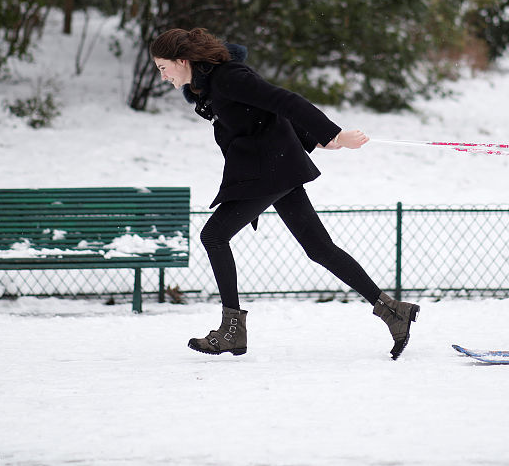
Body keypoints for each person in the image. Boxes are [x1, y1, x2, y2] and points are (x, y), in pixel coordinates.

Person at [150, 28, 419, 360]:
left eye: (163, 68)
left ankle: (232, 331)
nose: (162, 77)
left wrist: (333, 133)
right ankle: (393, 311)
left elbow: (283, 101)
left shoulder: (227, 77)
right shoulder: (206, 86)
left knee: (214, 236)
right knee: (319, 248)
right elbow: (265, 116)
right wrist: (318, 140)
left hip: (267, 171)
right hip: (273, 168)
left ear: (182, 60)